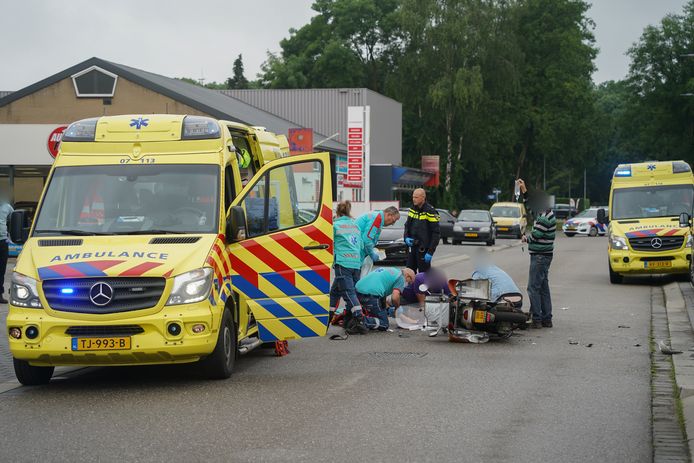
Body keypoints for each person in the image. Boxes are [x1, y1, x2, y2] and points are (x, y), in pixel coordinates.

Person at [517, 179, 556, 328]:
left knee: (533, 287)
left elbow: (536, 235)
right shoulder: (543, 212)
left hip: (540, 257)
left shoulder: (545, 218)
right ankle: (547, 319)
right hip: (544, 256)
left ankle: (537, 319)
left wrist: (525, 238)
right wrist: (524, 190)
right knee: (543, 288)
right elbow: (530, 206)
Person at [329, 200, 368, 335]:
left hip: (343, 262)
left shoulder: (335, 225)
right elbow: (361, 245)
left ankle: (359, 318)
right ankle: (329, 315)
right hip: (356, 263)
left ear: (338, 212)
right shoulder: (355, 226)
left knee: (348, 292)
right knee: (335, 291)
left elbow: (329, 244)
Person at [404, 188, 440, 272]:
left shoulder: (430, 211)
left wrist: (430, 252)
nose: (413, 199)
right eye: (413, 197)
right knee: (409, 273)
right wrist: (406, 237)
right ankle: (410, 286)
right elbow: (407, 226)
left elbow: (436, 233)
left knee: (424, 277)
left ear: (423, 198)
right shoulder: (413, 209)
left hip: (423, 249)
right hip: (412, 247)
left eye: (416, 197)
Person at [0, 192, 13, 304]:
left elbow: (13, 220)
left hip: (2, 242)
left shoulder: (7, 207)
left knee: (1, 270)